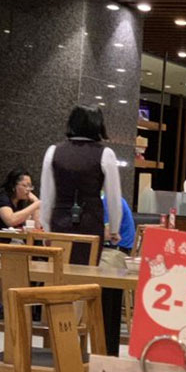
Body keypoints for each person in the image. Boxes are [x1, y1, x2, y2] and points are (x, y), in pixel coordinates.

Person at [39, 105, 122, 265]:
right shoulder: (105, 154)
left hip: (60, 221)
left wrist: (46, 229)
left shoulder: (53, 151)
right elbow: (114, 197)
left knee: (58, 272)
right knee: (86, 273)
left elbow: (47, 195)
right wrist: (114, 229)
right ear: (98, 125)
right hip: (91, 223)